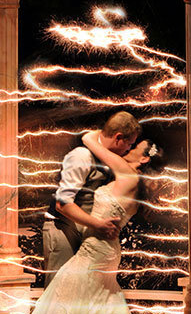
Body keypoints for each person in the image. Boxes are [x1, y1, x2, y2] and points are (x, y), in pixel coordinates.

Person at [5, 131, 175, 314]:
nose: (127, 149)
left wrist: (102, 132)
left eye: (133, 146)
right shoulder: (133, 180)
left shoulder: (127, 173)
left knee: (72, 300)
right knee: (93, 306)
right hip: (103, 249)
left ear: (142, 159)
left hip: (98, 250)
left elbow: (88, 140)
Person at [42, 111, 141, 286]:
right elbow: (62, 204)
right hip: (63, 228)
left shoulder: (107, 159)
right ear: (118, 138)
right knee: (59, 290)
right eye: (129, 144)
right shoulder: (82, 156)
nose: (129, 150)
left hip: (84, 231)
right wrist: (97, 224)